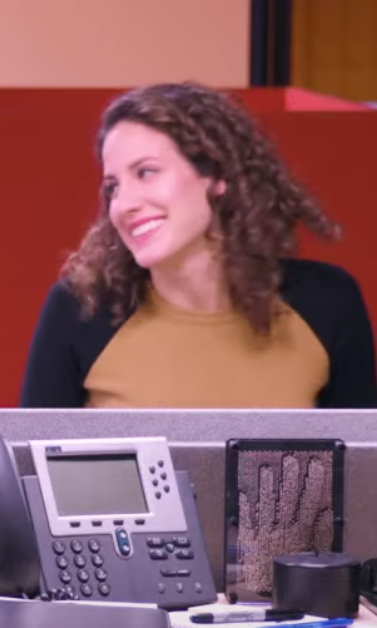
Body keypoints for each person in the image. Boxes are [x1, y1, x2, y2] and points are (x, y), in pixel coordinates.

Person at [21, 82, 376, 409]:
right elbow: (30, 469)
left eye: (146, 172)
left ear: (218, 176)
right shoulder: (81, 310)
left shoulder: (327, 304)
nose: (123, 203)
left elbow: (362, 470)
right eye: (113, 186)